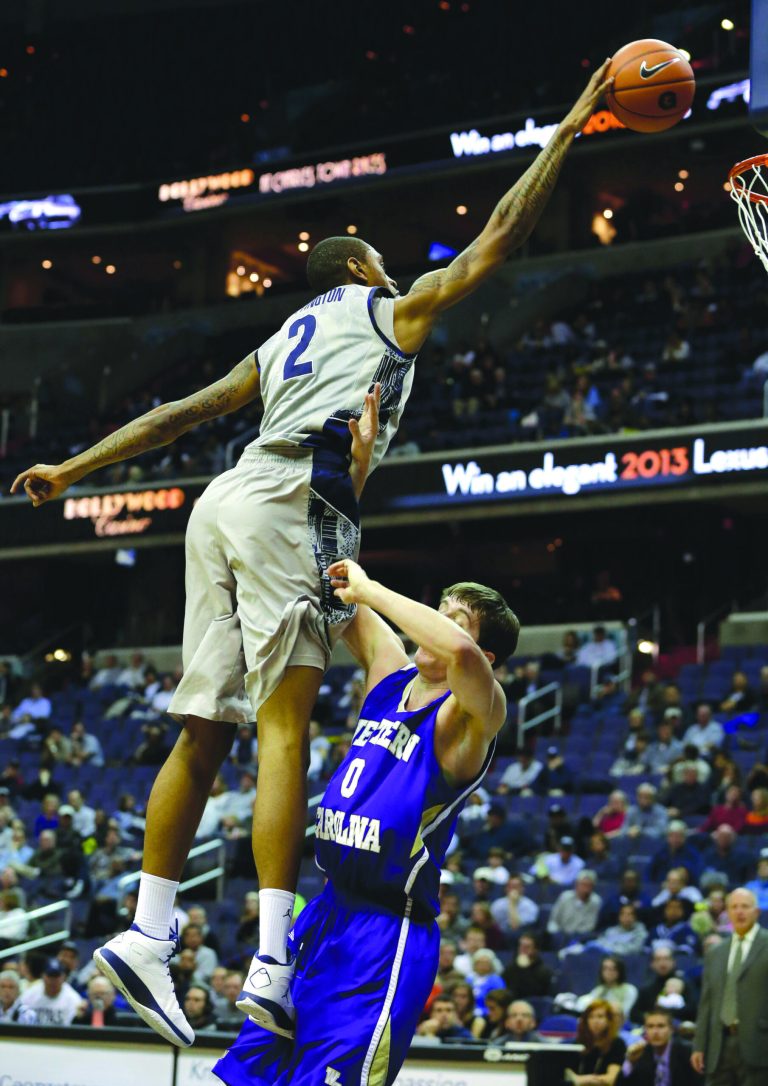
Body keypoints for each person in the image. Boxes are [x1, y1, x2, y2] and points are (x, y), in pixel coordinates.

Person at [12, 55, 612, 1054]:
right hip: (294, 500)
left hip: (225, 498)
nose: (392, 264)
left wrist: (76, 467)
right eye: (381, 256)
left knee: (203, 727)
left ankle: (150, 931)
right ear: (361, 269)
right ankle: (270, 964)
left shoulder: (286, 332)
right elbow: (498, 240)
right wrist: (568, 131)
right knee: (286, 726)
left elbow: (184, 411)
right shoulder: (388, 309)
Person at [214, 556, 521, 1086]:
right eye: (438, 610)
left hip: (384, 938)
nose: (436, 620)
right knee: (242, 1076)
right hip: (325, 914)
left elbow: (458, 650)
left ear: (487, 657)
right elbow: (344, 601)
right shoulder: (389, 675)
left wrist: (371, 588)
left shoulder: (473, 716)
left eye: (455, 619)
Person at [692, 887, 768, 1084]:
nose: (739, 911)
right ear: (727, 912)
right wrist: (699, 1044)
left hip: (759, 1044)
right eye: (734, 907)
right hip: (719, 1043)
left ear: (756, 912)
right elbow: (706, 1003)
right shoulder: (715, 952)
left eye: (745, 906)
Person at [621, 1007, 698, 1085]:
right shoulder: (640, 1053)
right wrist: (630, 1062)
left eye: (661, 1026)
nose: (655, 1031)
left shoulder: (686, 1053)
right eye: (650, 1026)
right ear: (645, 1030)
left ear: (671, 1029)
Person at [568, 999, 626, 1086]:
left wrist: (582, 1080)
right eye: (591, 1017)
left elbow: (610, 1079)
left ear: (609, 1020)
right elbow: (567, 1074)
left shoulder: (617, 1043)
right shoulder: (577, 1043)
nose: (595, 1021)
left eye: (600, 1016)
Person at [17, 958, 84, 1026]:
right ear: (43, 976)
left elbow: (72, 1029)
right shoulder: (30, 995)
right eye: (50, 976)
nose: (53, 981)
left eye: (56, 976)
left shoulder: (73, 999)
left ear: (63, 977)